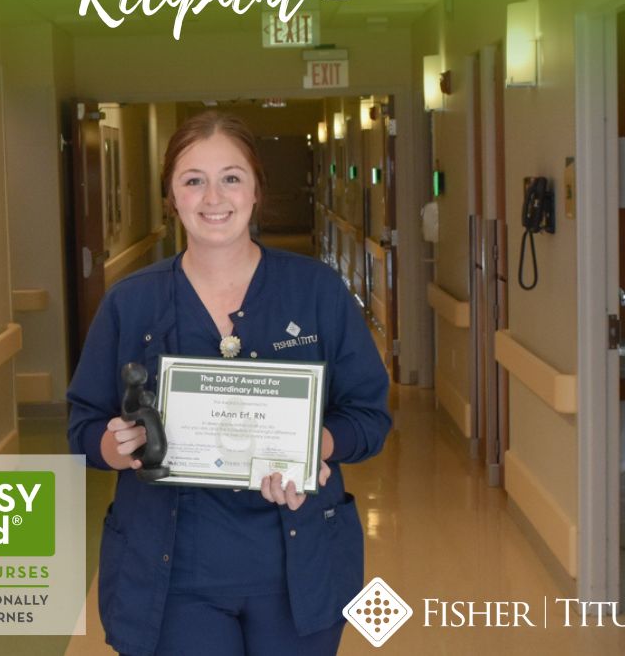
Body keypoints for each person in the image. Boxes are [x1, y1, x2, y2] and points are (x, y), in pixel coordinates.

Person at [67, 111, 391, 656]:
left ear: (256, 189)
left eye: (231, 177)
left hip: (297, 565)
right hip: (173, 576)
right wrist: (114, 445)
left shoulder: (314, 290)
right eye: (193, 179)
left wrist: (320, 443)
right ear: (171, 195)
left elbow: (370, 416)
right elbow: (83, 426)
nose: (213, 197)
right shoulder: (132, 302)